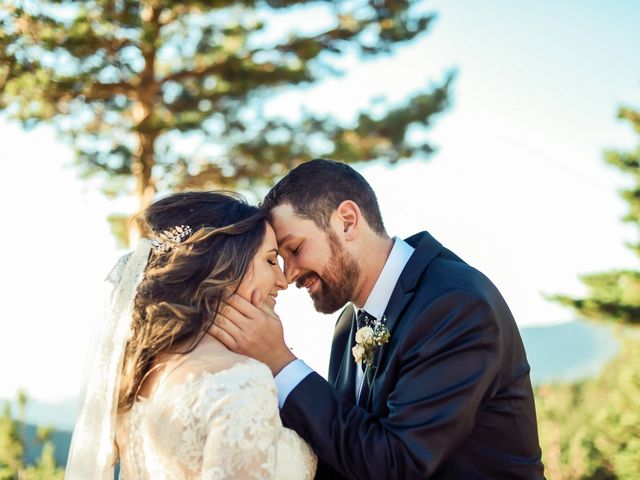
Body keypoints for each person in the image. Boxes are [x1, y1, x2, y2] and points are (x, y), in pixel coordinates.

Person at [211, 159, 546, 479]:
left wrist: (281, 363)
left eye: (295, 248)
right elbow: (348, 453)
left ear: (347, 220)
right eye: (279, 259)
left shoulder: (454, 304)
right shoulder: (348, 325)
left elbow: (400, 463)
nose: (291, 274)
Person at [66, 191, 317, 480]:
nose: (283, 281)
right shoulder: (241, 380)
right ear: (226, 267)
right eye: (271, 261)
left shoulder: (135, 379)